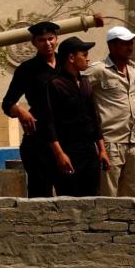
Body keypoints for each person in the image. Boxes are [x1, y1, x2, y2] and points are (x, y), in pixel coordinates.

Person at [84, 26, 135, 197]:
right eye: (124, 43)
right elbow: (78, 91)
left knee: (133, 195)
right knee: (108, 196)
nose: (130, 47)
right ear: (112, 46)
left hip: (134, 142)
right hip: (110, 143)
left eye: (131, 43)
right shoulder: (99, 70)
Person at [1, 21, 61, 197]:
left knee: (70, 195)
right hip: (39, 142)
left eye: (50, 39)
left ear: (57, 39)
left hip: (66, 139)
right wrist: (20, 111)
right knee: (40, 195)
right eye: (42, 40)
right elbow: (7, 103)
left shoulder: (66, 64)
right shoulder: (27, 69)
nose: (47, 43)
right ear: (34, 43)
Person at [43, 36, 107, 196]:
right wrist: (60, 155)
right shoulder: (55, 84)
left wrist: (102, 150)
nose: (88, 58)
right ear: (71, 58)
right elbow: (49, 123)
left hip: (89, 154)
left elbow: (94, 118)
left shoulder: (85, 83)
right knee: (70, 203)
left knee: (93, 199)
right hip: (68, 153)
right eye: (84, 55)